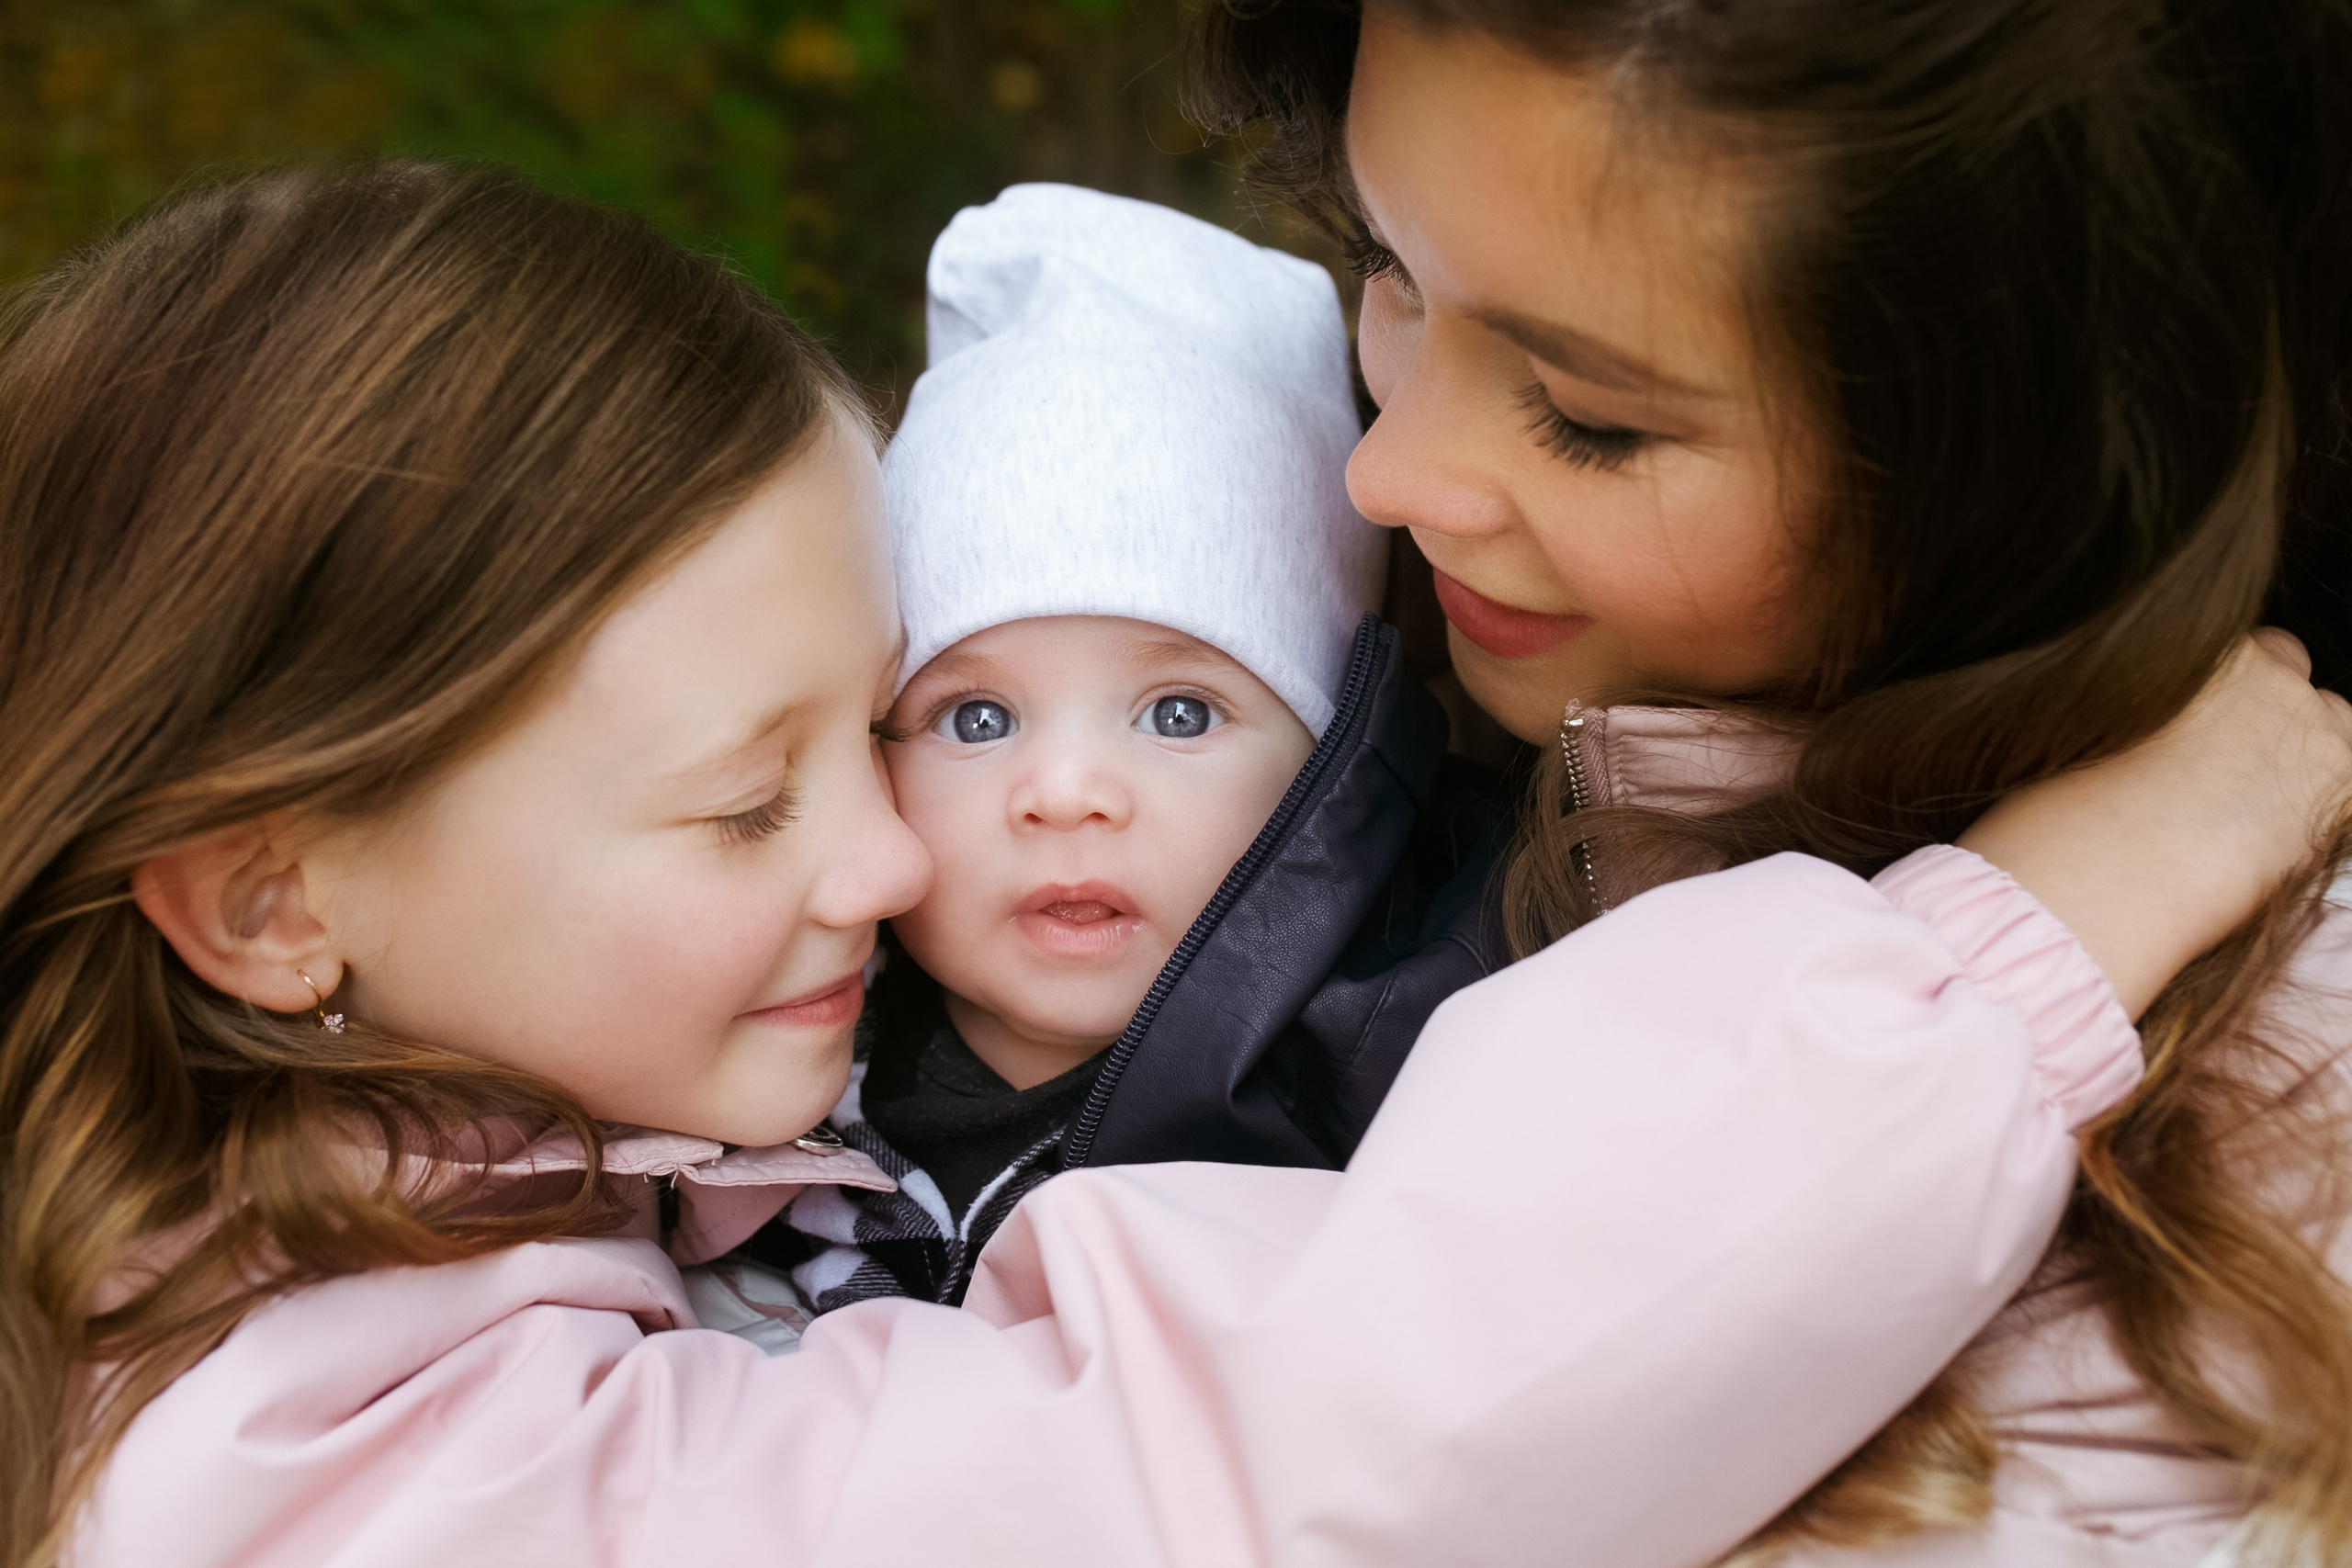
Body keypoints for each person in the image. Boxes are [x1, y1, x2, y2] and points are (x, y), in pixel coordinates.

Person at [0, 162, 2338, 1568]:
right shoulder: (321, 1467)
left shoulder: (298, 1252)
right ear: (271, 897)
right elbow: (1242, 1453)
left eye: (880, 718)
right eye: (744, 797)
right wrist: (2000, 954)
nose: (901, 843)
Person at [1191, 0, 2352, 1560]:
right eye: (1384, 261)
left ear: (2024, 467)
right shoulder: (1236, 614)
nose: (1384, 475)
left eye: (1590, 420)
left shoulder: (2271, 1161)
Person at [752, 183, 1510, 1313]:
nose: (1064, 794)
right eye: (977, 718)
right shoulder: (772, 1071)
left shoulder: (1404, 1087)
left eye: (1178, 714)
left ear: (1326, 771)